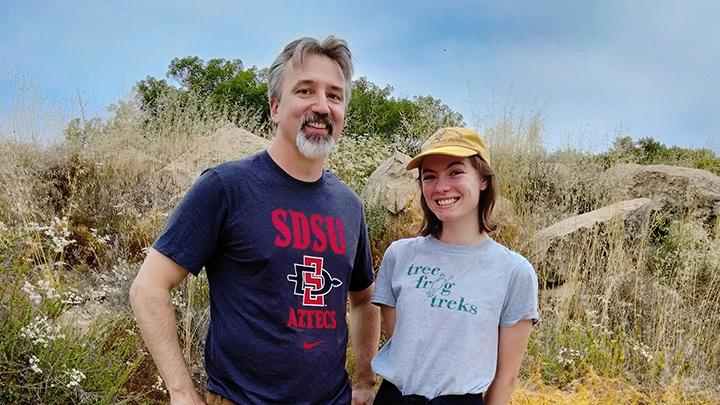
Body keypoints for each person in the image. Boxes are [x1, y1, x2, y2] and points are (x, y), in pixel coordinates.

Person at [129, 36, 380, 405]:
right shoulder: (226, 188)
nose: (322, 106)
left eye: (335, 95)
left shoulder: (349, 205)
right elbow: (148, 288)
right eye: (305, 90)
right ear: (275, 107)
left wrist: (364, 380)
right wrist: (181, 392)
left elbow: (363, 300)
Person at [370, 127, 539, 405]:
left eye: (456, 172)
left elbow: (506, 378)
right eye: (429, 177)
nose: (441, 187)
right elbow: (405, 348)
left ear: (483, 179)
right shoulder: (399, 256)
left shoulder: (514, 272)